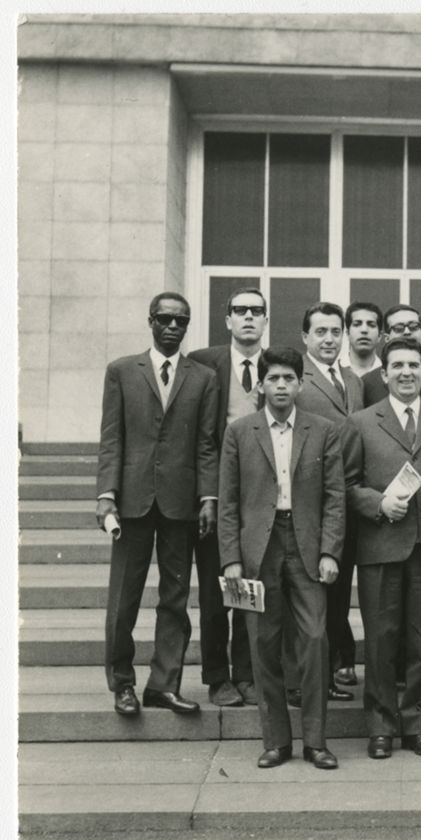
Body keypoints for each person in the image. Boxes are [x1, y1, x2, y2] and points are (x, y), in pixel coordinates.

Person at [218, 346, 344, 770]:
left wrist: (330, 550)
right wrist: (231, 558)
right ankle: (276, 741)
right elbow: (229, 503)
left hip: (307, 546)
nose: (282, 386)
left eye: (289, 378)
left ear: (301, 384)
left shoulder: (323, 430)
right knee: (263, 643)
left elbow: (335, 498)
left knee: (313, 640)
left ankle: (315, 741)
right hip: (258, 551)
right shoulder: (240, 432)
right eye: (273, 378)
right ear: (261, 385)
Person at [342, 340, 421, 760]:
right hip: (380, 546)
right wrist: (377, 503)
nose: (406, 372)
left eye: (414, 365)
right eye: (397, 365)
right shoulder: (360, 422)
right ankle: (380, 726)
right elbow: (345, 485)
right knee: (380, 641)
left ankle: (417, 723)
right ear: (384, 374)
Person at [97, 291, 218, 716]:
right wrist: (106, 495)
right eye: (164, 319)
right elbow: (112, 438)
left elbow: (206, 444)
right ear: (150, 321)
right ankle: (123, 683)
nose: (172, 327)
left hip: (180, 504)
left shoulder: (203, 377)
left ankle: (163, 684)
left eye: (180, 321)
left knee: (175, 598)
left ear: (187, 326)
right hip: (131, 501)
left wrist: (208, 497)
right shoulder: (121, 371)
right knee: (123, 599)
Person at [189, 287, 266, 708]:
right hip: (215, 499)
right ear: (228, 320)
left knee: (250, 588)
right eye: (241, 311)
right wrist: (206, 495)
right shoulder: (204, 362)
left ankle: (247, 674)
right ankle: (218, 677)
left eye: (257, 311)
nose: (249, 317)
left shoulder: (276, 366)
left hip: (260, 499)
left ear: (266, 320)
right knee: (216, 592)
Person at [295, 302, 362, 702]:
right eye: (320, 332)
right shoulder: (295, 378)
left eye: (335, 332)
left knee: (337, 596)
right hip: (312, 502)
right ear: (305, 337)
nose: (329, 339)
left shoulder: (354, 380)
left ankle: (332, 670)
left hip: (349, 500)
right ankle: (310, 679)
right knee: (311, 598)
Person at [363, 304, 421, 407]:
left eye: (413, 327)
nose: (407, 332)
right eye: (399, 328)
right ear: (387, 339)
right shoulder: (368, 383)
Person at [341, 301, 384, 378]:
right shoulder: (335, 370)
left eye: (371, 325)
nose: (364, 330)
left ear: (380, 336)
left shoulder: (388, 372)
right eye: (357, 324)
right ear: (347, 333)